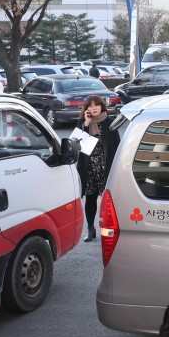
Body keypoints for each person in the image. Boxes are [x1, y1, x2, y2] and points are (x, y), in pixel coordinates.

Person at [76, 95, 119, 242]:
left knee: (108, 201)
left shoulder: (110, 123)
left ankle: (109, 229)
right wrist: (86, 125)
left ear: (102, 106)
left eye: (96, 105)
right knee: (90, 199)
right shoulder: (82, 123)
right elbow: (77, 146)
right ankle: (90, 229)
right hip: (89, 168)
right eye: (90, 106)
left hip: (106, 167)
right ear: (86, 109)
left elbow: (117, 145)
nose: (93, 108)